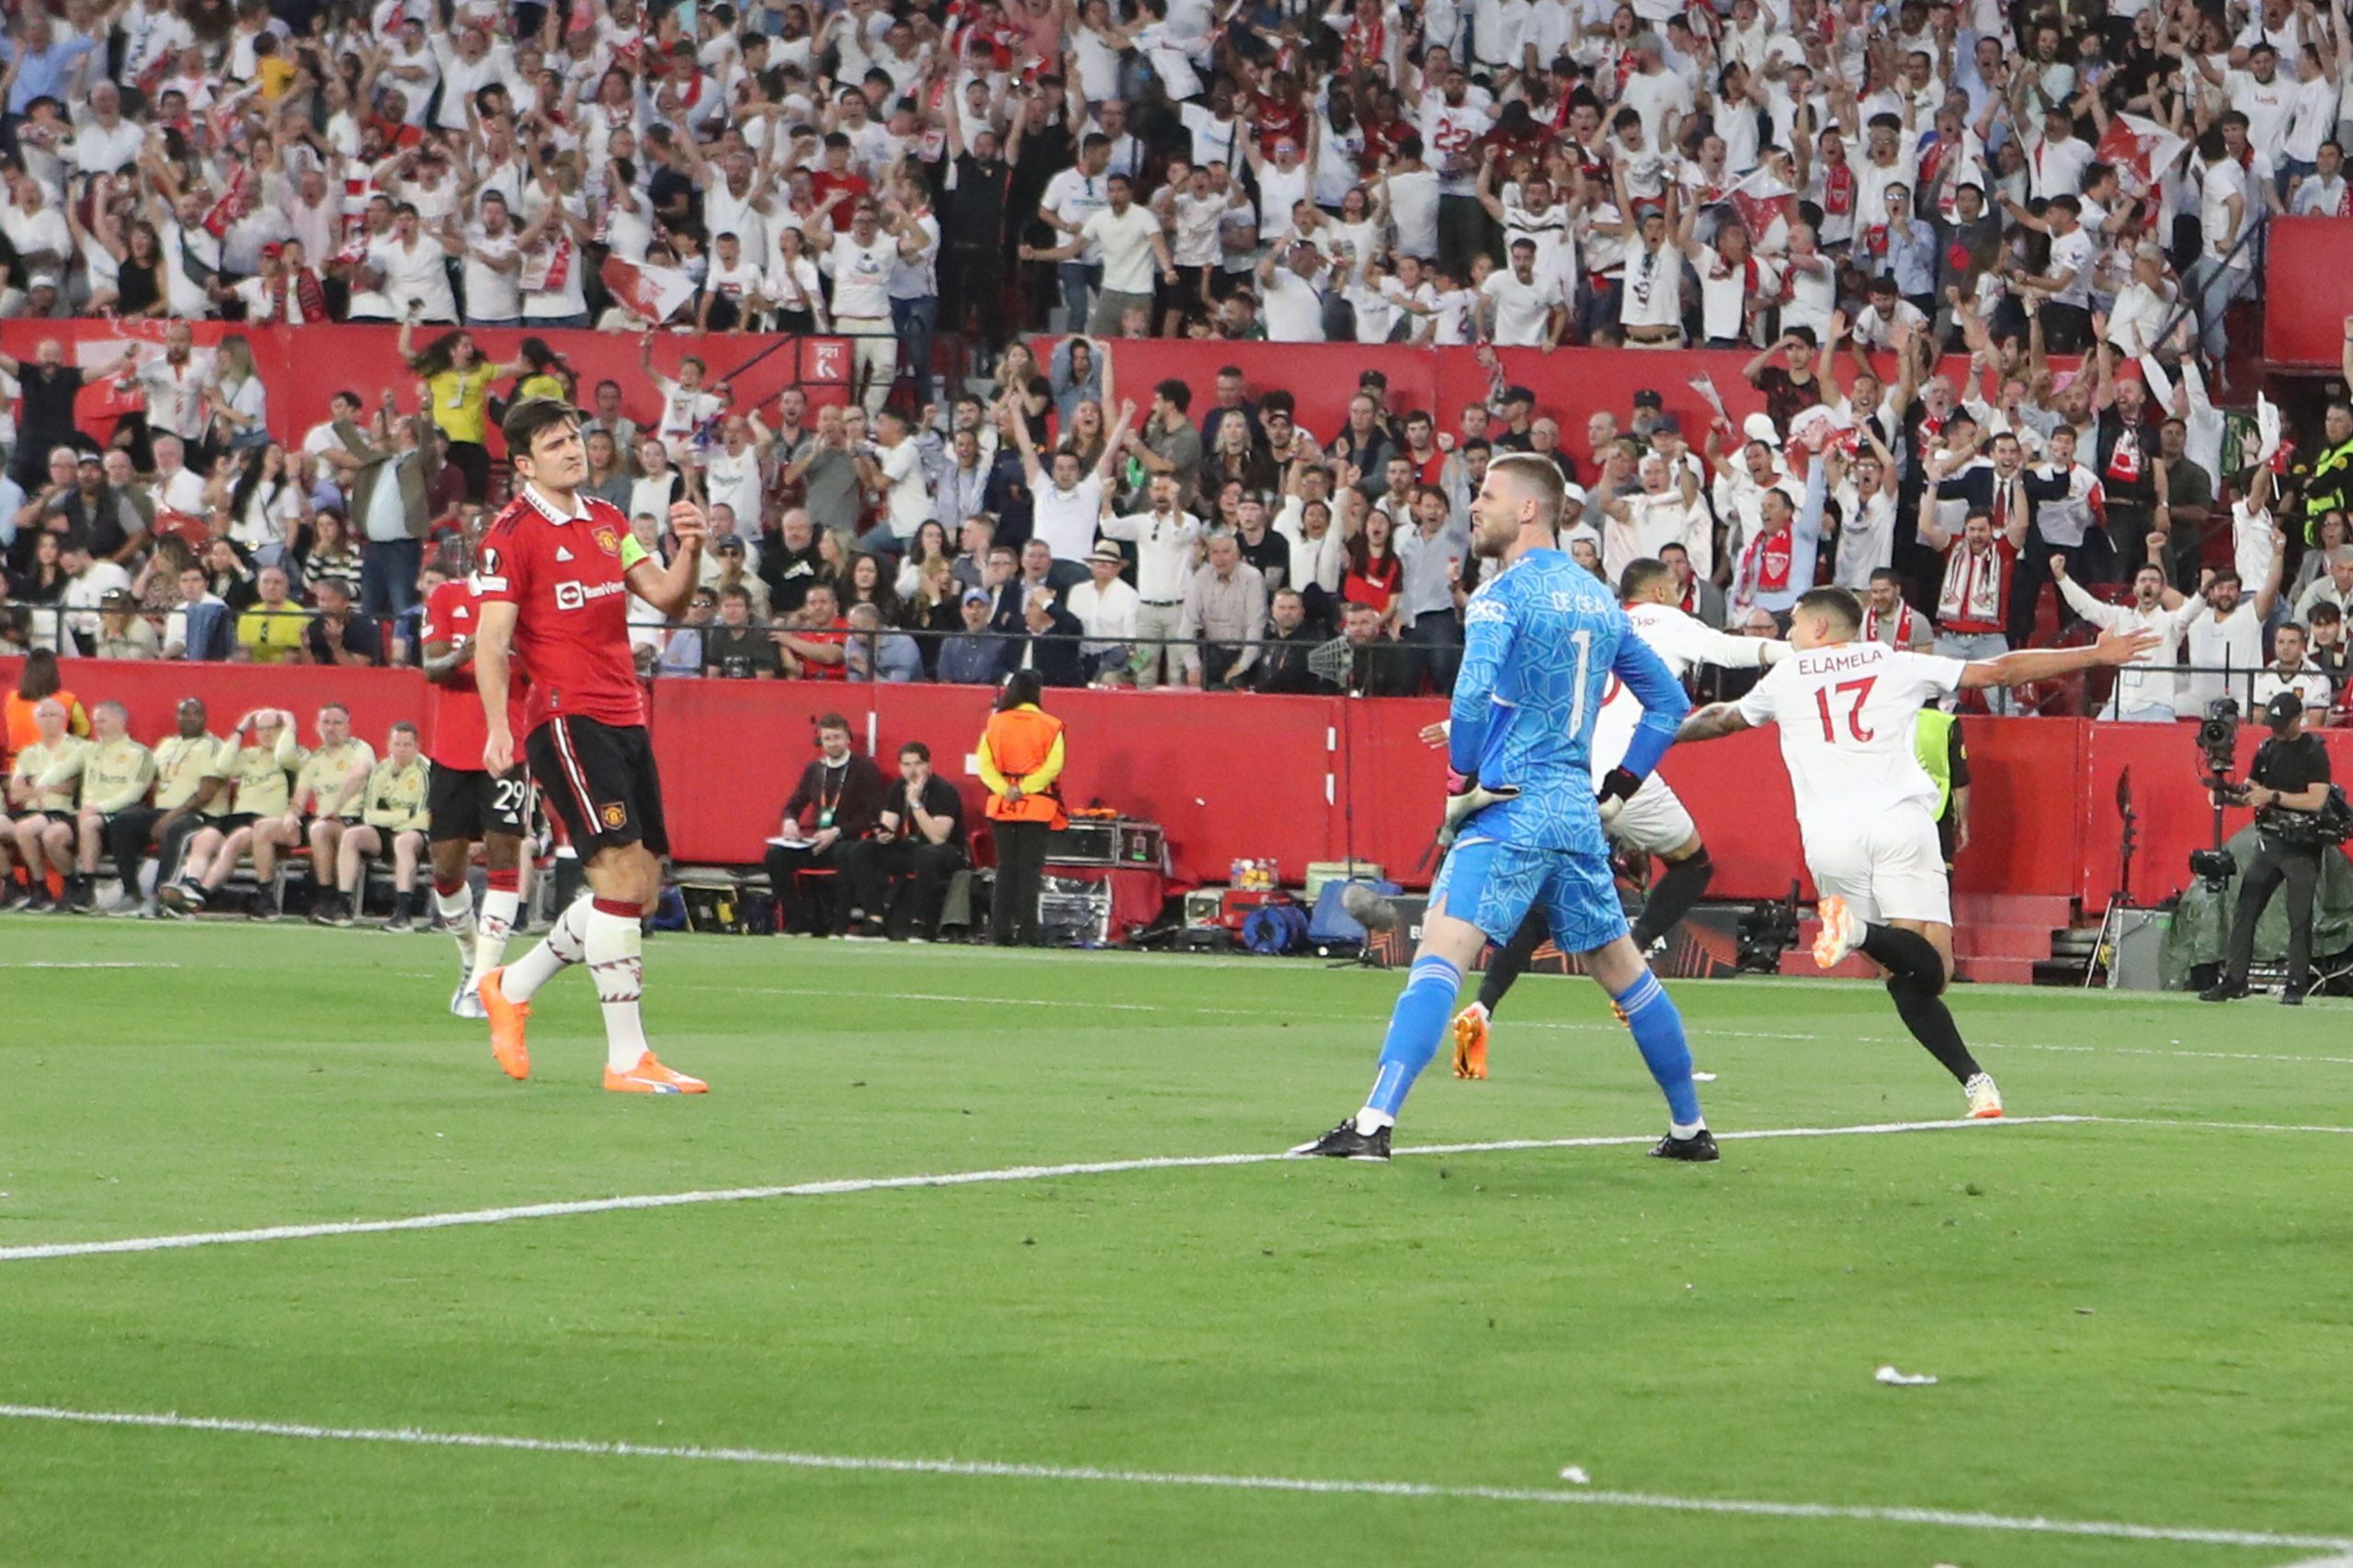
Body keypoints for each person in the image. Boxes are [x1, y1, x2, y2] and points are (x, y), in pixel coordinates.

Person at [1292, 454, 1711, 1164]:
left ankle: (1372, 1124)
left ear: (1528, 509)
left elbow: (1471, 696)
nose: (1474, 506)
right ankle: (1690, 1129)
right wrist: (1621, 786)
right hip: (1575, 814)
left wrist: (1461, 783)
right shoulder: (1598, 600)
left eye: (1487, 495)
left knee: (1440, 956)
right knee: (1624, 972)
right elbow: (1669, 704)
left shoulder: (1500, 596)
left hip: (1509, 808)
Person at [1675, 588, 2156, 1118]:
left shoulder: (1787, 678)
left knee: (1898, 974)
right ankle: (1859, 936)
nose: (1787, 635)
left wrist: (1656, 740)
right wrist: (2093, 655)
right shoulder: (1892, 661)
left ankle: (1976, 1081)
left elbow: (1721, 718)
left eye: (1793, 625)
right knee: (1933, 974)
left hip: (1829, 840)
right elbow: (1997, 673)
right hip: (1899, 822)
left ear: (1819, 630)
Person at [1448, 556, 1792, 1076]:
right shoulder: (1663, 620)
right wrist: (1795, 650)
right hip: (1623, 773)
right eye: (1677, 588)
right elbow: (1729, 649)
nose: (1682, 598)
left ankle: (1482, 1008)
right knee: (1693, 864)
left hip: (1563, 769)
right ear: (1657, 589)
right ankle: (1632, 958)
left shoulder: (1592, 618)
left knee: (1543, 905)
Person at [472, 396, 711, 1095]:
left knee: (637, 890)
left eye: (575, 438)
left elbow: (667, 598)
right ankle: (626, 1058)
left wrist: (690, 549)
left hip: (625, 715)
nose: (573, 450)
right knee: (612, 877)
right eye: (554, 444)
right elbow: (491, 642)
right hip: (565, 718)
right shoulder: (512, 534)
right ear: (524, 463)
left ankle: (511, 985)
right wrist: (496, 726)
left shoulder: (607, 521)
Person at [421, 532, 534, 1017]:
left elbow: (541, 670)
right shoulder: (447, 597)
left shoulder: (525, 608)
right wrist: (469, 652)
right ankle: (471, 957)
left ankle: (485, 981)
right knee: (446, 869)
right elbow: (431, 668)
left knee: (505, 852)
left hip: (509, 746)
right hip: (452, 750)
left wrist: (516, 654)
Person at [2200, 693, 2336, 1006]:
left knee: (2299, 916)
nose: (2275, 729)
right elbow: (2252, 791)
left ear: (2297, 719)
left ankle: (2295, 983)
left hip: (2302, 845)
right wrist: (2227, 795)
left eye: (2281, 723)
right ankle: (2235, 979)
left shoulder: (2314, 752)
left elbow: (2316, 800)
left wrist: (2272, 796)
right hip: (2270, 841)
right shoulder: (2267, 749)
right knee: (2246, 909)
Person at [763, 714, 887, 937]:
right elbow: (793, 804)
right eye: (827, 738)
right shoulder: (815, 770)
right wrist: (790, 820)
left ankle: (839, 925)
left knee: (847, 853)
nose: (832, 743)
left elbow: (873, 814)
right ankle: (798, 920)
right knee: (775, 856)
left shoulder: (864, 768)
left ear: (848, 738)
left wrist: (837, 832)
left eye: (837, 737)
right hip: (817, 841)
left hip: (848, 840)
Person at [835, 742, 969, 942]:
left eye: (917, 764)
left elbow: (938, 837)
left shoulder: (943, 790)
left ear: (928, 765)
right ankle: (874, 919)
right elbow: (889, 824)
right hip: (910, 846)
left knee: (927, 854)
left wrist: (916, 803)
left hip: (945, 851)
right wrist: (883, 835)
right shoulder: (898, 787)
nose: (912, 771)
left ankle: (922, 924)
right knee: (861, 850)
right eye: (906, 765)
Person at [978, 670, 1067, 946]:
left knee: (1005, 869)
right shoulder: (1051, 725)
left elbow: (985, 765)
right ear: (1036, 692)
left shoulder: (995, 723)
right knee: (1030, 871)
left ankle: (999, 931)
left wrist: (1008, 790)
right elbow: (1054, 766)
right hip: (1038, 805)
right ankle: (1028, 932)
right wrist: (1027, 788)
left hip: (1003, 804)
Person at [333, 723, 433, 932]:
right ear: (389, 745)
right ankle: (343, 905)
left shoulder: (425, 771)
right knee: (352, 835)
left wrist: (391, 819)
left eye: (407, 745)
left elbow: (423, 819)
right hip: (385, 831)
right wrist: (402, 816)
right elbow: (369, 814)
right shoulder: (380, 770)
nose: (401, 749)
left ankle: (403, 913)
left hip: (416, 835)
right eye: (397, 744)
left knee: (404, 842)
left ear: (417, 746)